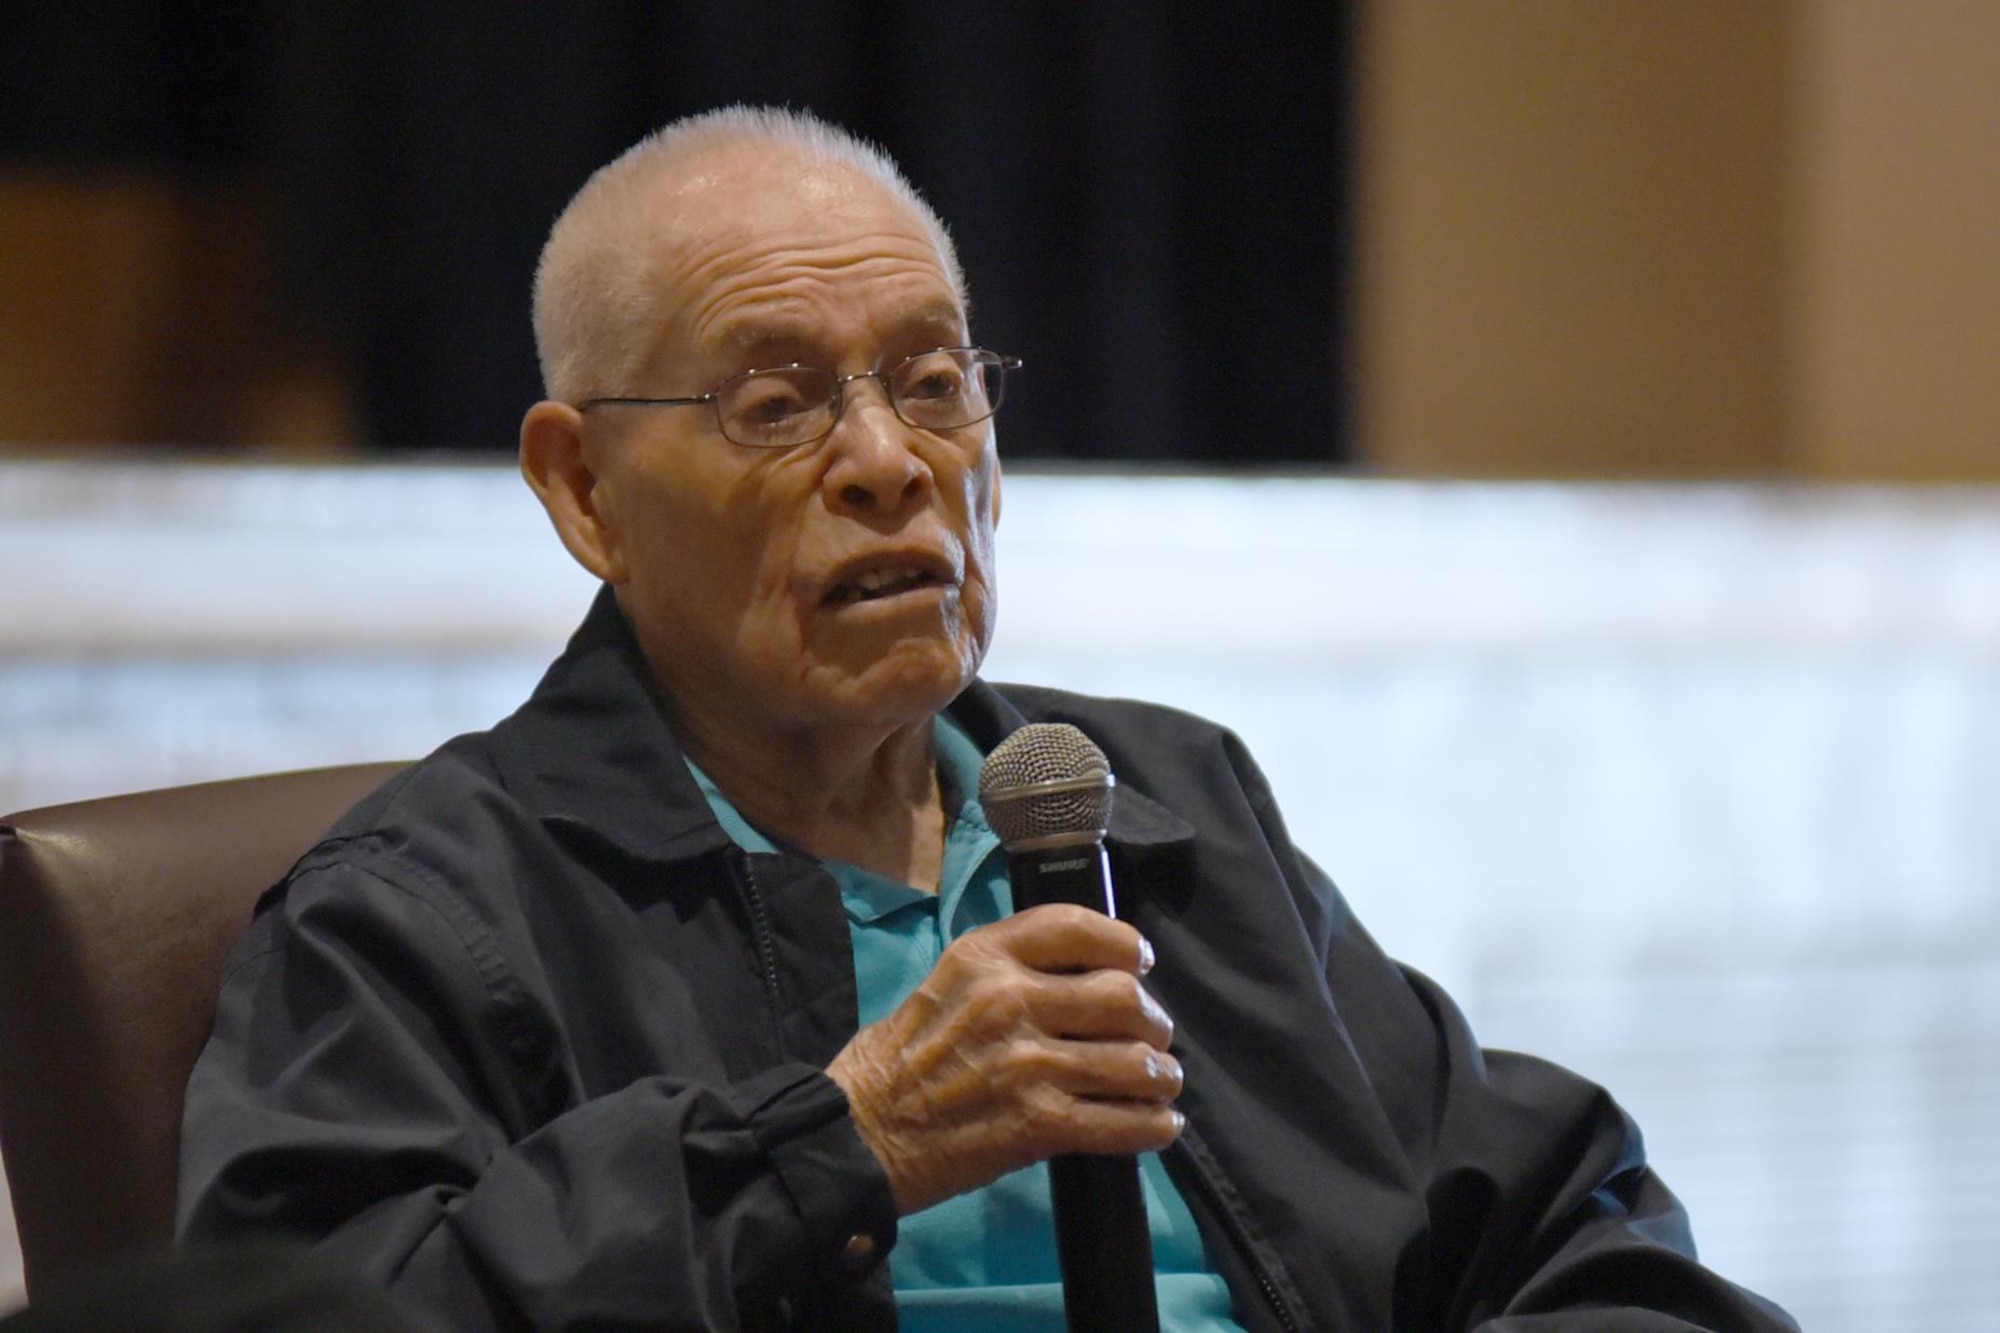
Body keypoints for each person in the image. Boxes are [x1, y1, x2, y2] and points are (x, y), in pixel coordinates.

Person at [177, 106, 1797, 1332]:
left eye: (935, 380)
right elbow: (335, 1305)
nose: (890, 461)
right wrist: (847, 1136)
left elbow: (1558, 1210)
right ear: (583, 487)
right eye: (779, 400)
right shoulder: (423, 913)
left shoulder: (1150, 802)